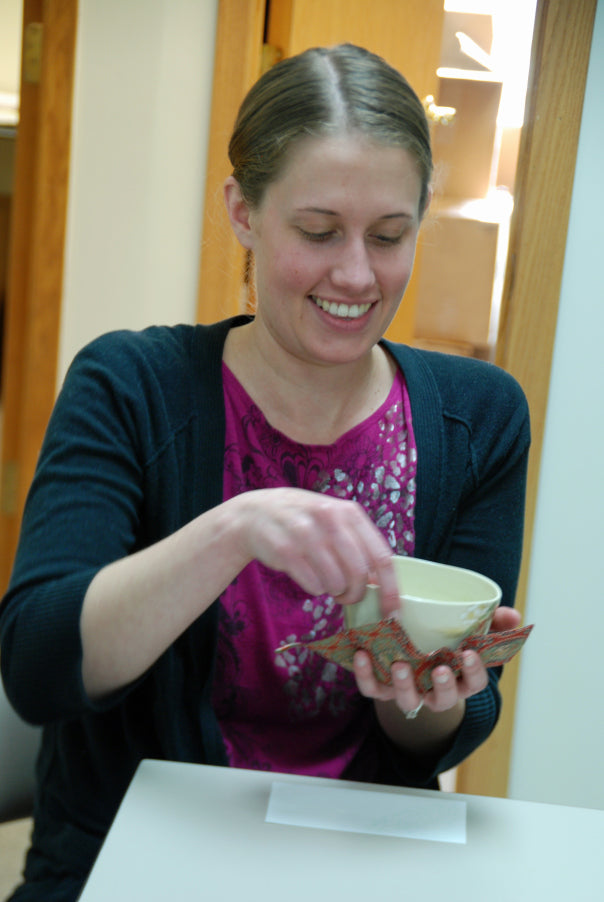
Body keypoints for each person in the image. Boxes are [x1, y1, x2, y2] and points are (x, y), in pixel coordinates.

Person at [0, 44, 529, 900]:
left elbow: (448, 732)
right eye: (318, 232)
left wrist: (424, 696)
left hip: (359, 869)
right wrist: (234, 528)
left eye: (390, 237)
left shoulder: (480, 418)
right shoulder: (130, 388)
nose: (356, 274)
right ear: (242, 211)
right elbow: (39, 666)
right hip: (130, 862)